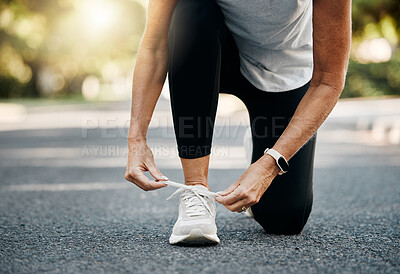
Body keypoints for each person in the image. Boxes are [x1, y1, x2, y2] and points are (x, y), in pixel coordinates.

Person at [125, 0, 351, 245]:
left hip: (283, 72)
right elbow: (155, 43)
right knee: (190, 10)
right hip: (217, 52)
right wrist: (137, 139)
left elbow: (328, 81)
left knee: (285, 219)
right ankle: (196, 190)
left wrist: (270, 162)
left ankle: (261, 148)